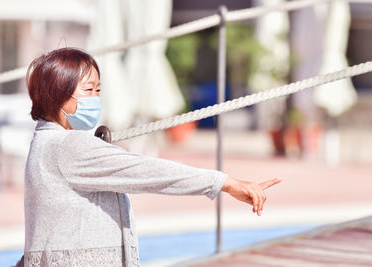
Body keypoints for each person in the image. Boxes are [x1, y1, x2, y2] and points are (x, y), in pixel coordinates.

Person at [20, 47, 281, 267]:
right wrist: (225, 183)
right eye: (88, 90)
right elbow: (146, 171)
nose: (96, 99)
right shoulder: (69, 147)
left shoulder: (43, 144)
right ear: (57, 95)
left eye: (98, 91)